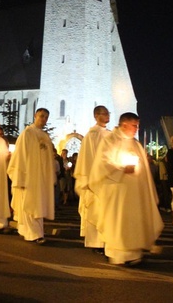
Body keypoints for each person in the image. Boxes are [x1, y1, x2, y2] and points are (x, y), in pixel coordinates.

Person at [88, 112, 163, 266]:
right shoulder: (109, 141)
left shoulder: (135, 144)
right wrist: (122, 168)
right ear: (124, 125)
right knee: (118, 222)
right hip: (117, 192)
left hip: (134, 194)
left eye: (137, 125)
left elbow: (144, 171)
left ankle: (134, 253)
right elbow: (103, 164)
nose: (137, 129)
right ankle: (117, 255)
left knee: (134, 222)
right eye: (134, 125)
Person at [7, 108, 55, 244]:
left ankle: (31, 231)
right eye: (41, 116)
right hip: (28, 176)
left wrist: (49, 175)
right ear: (35, 116)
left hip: (40, 178)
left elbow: (48, 159)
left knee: (38, 204)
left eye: (46, 117)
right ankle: (34, 234)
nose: (43, 119)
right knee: (29, 204)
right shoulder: (27, 133)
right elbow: (20, 156)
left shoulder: (45, 136)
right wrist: (19, 176)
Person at [74, 105, 110, 255]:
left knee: (105, 212)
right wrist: (89, 179)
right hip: (95, 180)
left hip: (107, 179)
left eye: (108, 113)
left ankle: (105, 240)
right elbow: (87, 159)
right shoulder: (91, 136)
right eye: (104, 114)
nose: (107, 116)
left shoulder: (110, 134)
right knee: (95, 209)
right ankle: (95, 242)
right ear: (96, 116)